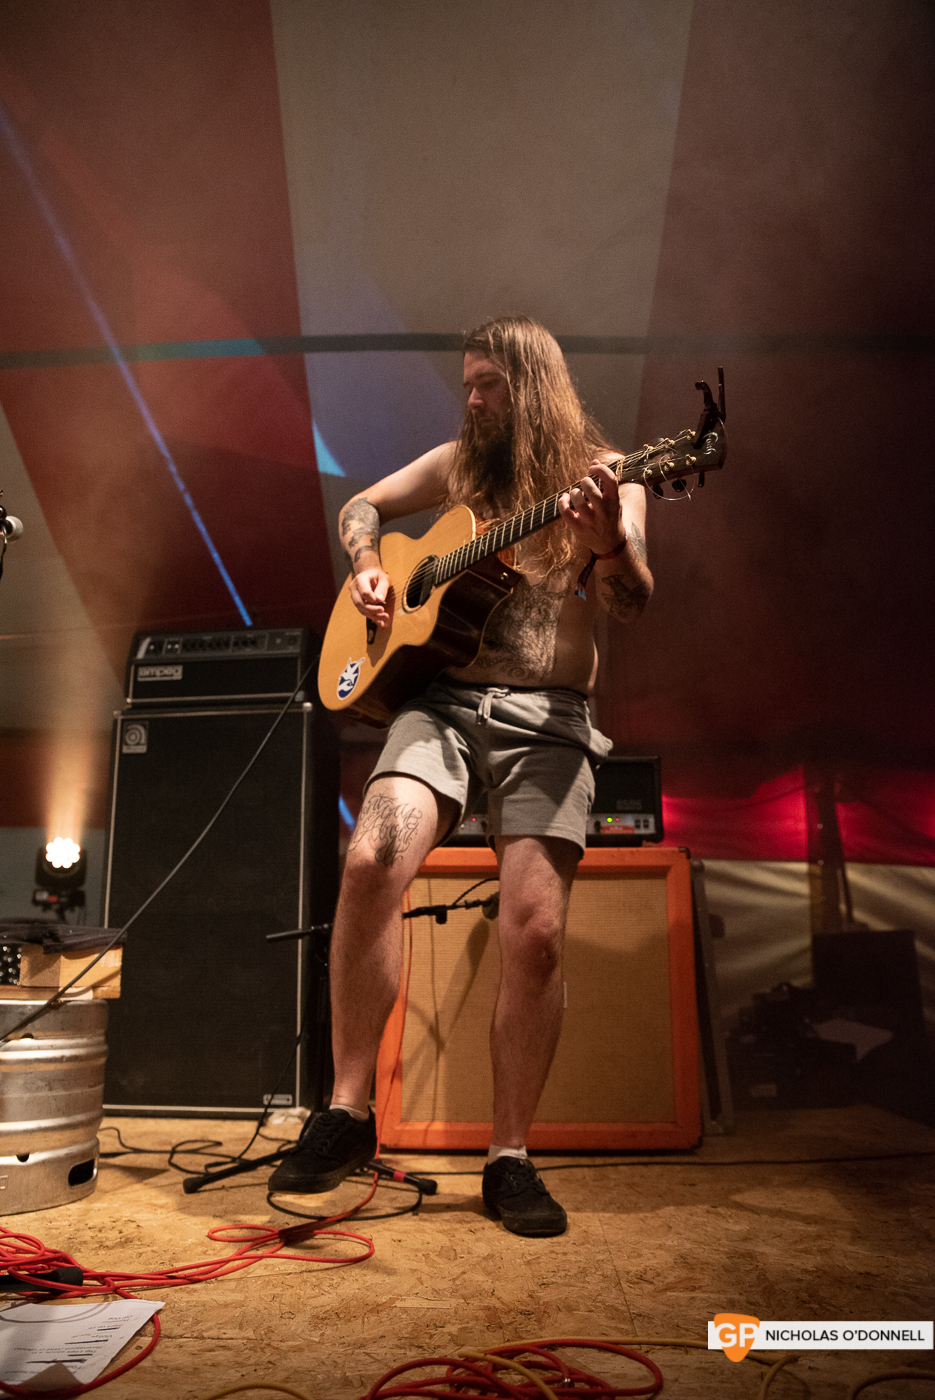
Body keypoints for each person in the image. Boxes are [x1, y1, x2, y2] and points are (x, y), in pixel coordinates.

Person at [270, 316, 654, 1235]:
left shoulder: (612, 474)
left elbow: (632, 601)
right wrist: (368, 568)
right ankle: (347, 1111)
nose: (471, 398)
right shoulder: (458, 464)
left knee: (535, 934)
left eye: (487, 384)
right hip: (438, 703)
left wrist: (608, 544)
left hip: (547, 722)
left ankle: (509, 1157)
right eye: (468, 382)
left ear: (534, 384)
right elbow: (358, 507)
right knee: (368, 860)